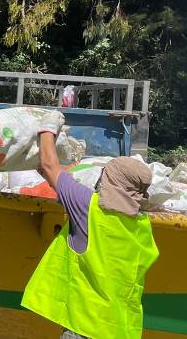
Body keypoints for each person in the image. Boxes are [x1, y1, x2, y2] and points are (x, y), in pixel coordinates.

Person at [22, 113, 159, 338]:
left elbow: (49, 165)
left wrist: (47, 128)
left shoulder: (89, 207)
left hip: (84, 327)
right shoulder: (141, 226)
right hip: (117, 329)